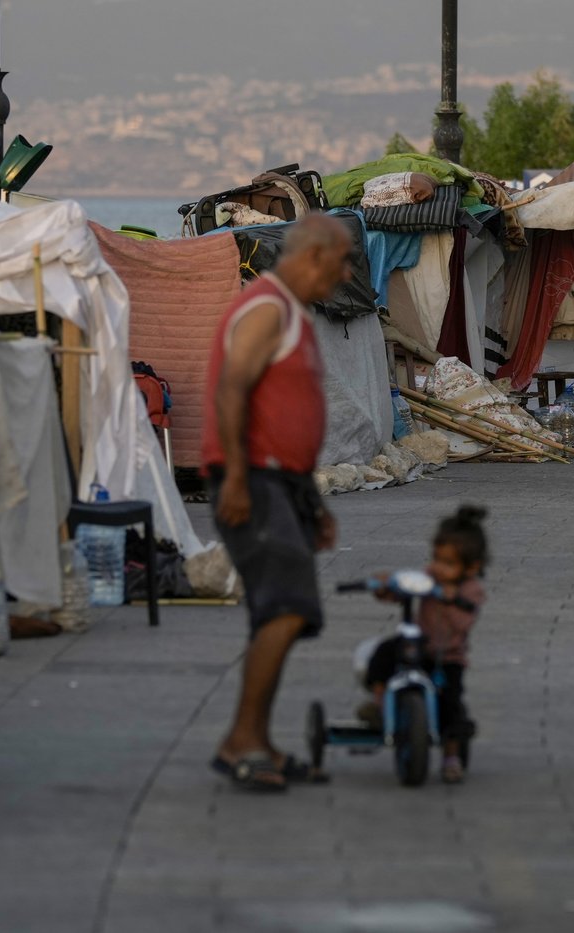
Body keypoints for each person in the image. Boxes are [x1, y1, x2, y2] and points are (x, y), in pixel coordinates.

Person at [203, 214, 352, 791]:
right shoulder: (266, 308)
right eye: (342, 263)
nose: (343, 277)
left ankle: (256, 740)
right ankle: (242, 740)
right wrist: (237, 478)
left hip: (278, 483)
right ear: (314, 255)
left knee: (277, 610)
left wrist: (311, 504)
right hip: (254, 480)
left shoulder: (292, 313)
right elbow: (232, 388)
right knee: (286, 608)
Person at [357, 505, 488, 784]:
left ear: (471, 567)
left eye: (448, 564)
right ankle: (379, 704)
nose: (439, 568)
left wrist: (450, 600)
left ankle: (451, 757)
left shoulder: (471, 591)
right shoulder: (431, 576)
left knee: (450, 704)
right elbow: (407, 588)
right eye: (437, 559)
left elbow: (463, 622)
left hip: (447, 657)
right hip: (416, 644)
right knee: (383, 653)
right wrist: (386, 587)